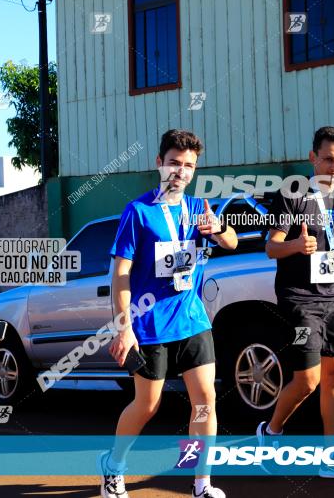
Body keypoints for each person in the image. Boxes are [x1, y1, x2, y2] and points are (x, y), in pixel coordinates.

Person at [99, 129, 237, 498]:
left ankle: (202, 483)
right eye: (175, 162)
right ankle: (113, 465)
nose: (181, 171)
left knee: (205, 400)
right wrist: (124, 328)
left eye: (189, 165)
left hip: (192, 320)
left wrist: (219, 229)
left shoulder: (197, 209)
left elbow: (232, 241)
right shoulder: (138, 211)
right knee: (147, 404)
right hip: (149, 326)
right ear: (159, 163)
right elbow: (121, 273)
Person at [256, 126, 334, 480]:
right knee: (307, 380)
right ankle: (271, 432)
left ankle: (331, 461)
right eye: (328, 159)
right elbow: (270, 247)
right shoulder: (293, 194)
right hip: (300, 299)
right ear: (312, 157)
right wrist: (295, 246)